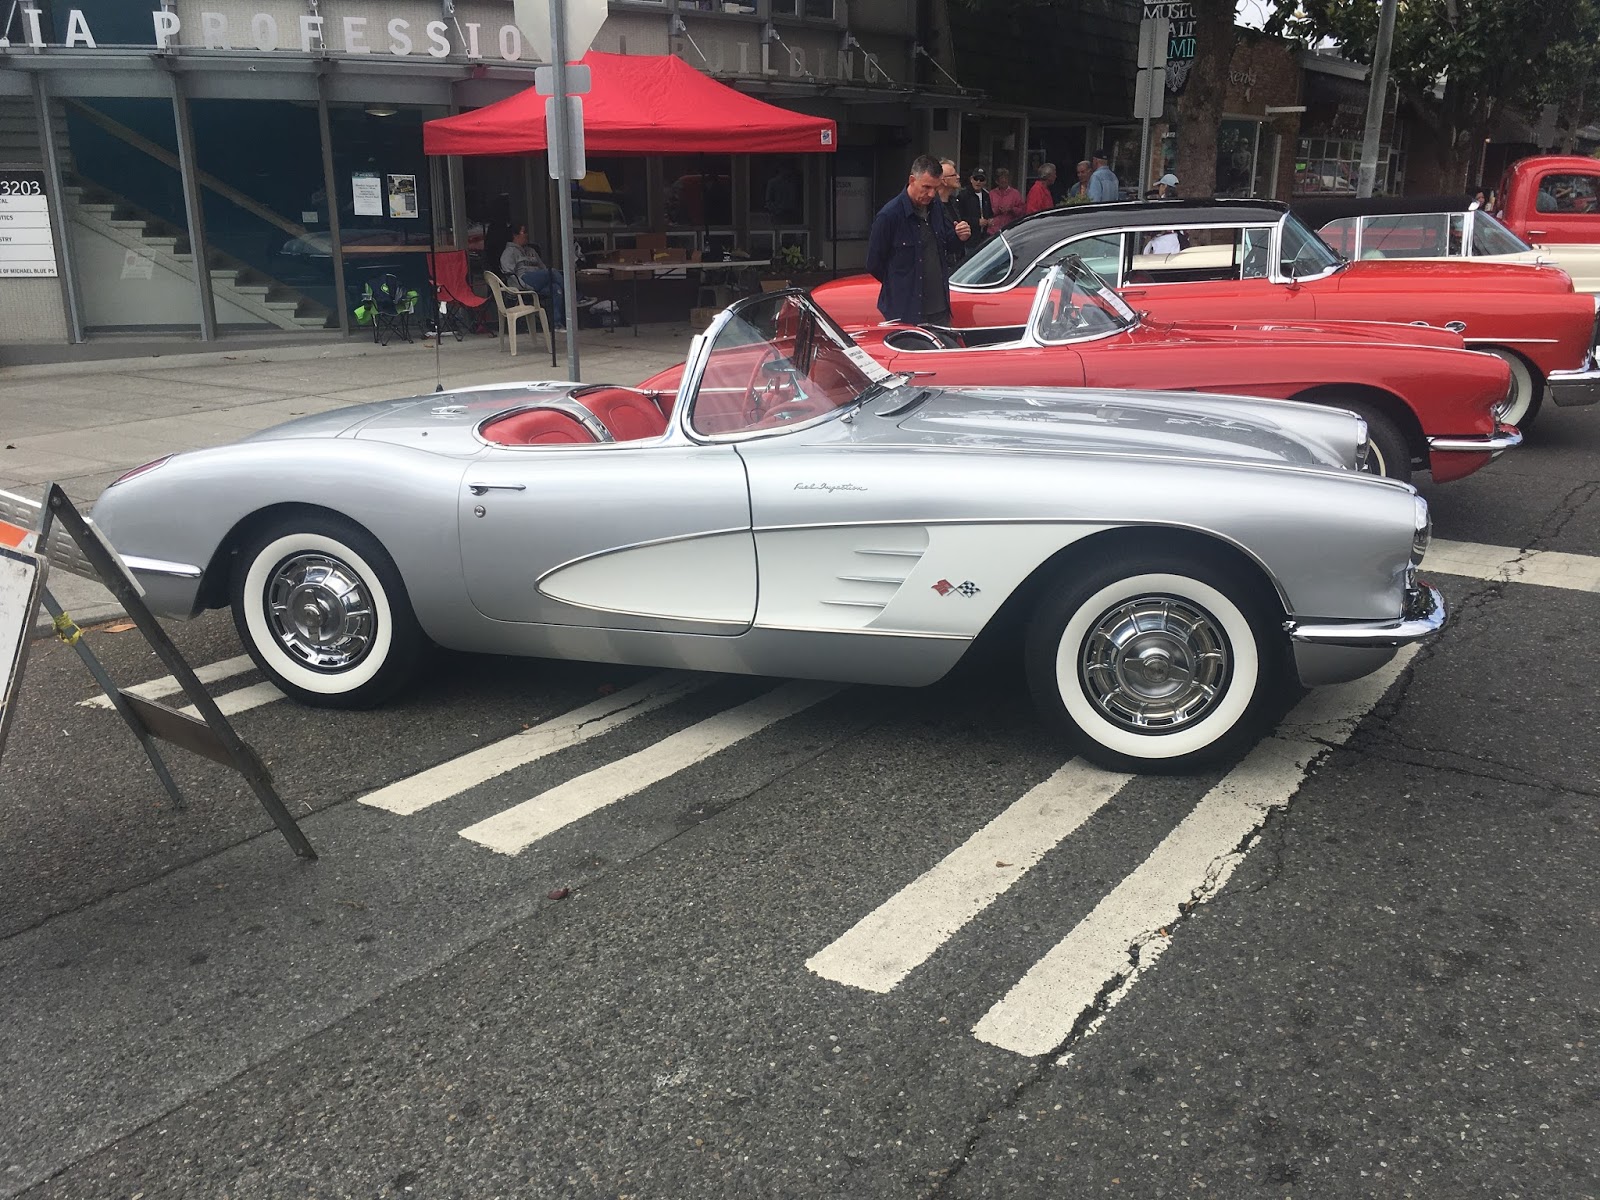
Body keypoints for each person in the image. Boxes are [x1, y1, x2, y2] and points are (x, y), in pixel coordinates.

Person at [865, 154, 970, 325]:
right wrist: (900, 283)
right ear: (912, 180)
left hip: (939, 308)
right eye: (926, 187)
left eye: (935, 188)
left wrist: (959, 237)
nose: (930, 194)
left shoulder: (936, 207)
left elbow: (945, 246)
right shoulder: (889, 215)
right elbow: (874, 263)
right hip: (905, 311)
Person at [498, 223, 568, 327]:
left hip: (537, 281)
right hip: (523, 280)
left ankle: (557, 323)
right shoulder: (509, 252)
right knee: (552, 272)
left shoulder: (532, 251)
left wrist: (544, 277)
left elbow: (543, 268)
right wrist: (518, 287)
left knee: (556, 288)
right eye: (524, 232)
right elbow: (508, 273)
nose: (527, 234)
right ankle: (575, 298)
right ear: (514, 235)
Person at [950, 167, 994, 258]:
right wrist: (977, 222)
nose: (978, 182)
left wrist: (989, 221)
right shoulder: (963, 195)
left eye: (981, 179)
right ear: (971, 179)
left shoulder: (986, 195)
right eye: (976, 179)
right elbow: (960, 217)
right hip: (969, 239)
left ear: (985, 182)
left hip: (983, 237)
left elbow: (990, 213)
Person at [988, 167, 1025, 232]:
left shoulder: (1015, 193)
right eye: (1001, 179)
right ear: (997, 181)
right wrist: (998, 210)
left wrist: (1011, 209)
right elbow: (986, 211)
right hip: (993, 230)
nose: (1004, 181)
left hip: (1010, 229)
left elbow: (1022, 211)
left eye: (1006, 178)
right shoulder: (991, 194)